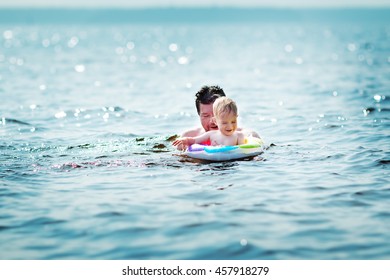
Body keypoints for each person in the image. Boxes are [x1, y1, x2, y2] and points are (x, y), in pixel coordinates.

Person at [175, 85, 260, 150]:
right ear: (199, 115)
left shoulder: (244, 135)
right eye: (206, 115)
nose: (212, 121)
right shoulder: (189, 136)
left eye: (216, 115)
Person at [173, 97, 246, 148]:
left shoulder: (239, 136)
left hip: (231, 166)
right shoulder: (211, 135)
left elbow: (242, 152)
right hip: (213, 165)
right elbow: (195, 140)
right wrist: (186, 140)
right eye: (224, 123)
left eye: (233, 121)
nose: (230, 126)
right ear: (215, 121)